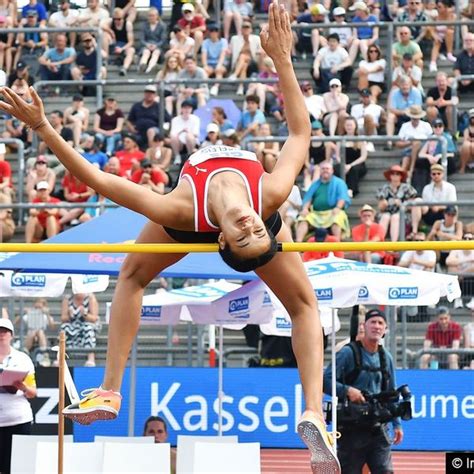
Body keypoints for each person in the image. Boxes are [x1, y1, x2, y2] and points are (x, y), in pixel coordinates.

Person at [0, 5, 340, 472]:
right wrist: (282, 58)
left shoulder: (186, 209)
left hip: (190, 215)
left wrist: (42, 127)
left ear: (224, 241)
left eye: (248, 234)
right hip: (214, 215)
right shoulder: (269, 194)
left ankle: (313, 413)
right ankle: (113, 392)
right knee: (142, 276)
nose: (251, 225)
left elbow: (100, 180)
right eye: (256, 228)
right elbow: (301, 131)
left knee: (297, 304)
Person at [323, 309, 403, 473]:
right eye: (372, 322)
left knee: (385, 470)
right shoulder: (348, 352)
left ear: (385, 329)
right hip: (352, 428)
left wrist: (397, 424)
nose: (376, 326)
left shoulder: (386, 357)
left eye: (380, 323)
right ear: (363, 326)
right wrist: (347, 390)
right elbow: (324, 381)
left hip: (378, 426)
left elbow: (391, 393)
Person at [0, 318, 37, 474]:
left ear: (12, 335)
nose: (1, 334)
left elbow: (33, 392)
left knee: (17, 467)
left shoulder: (22, 359)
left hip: (18, 420)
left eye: (5, 331)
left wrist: (22, 386)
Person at [296, 160, 351, 242]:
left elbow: (342, 197)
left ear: (332, 171)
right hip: (316, 213)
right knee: (302, 218)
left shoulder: (339, 183)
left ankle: (338, 245)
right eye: (323, 169)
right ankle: (298, 245)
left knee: (338, 218)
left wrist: (338, 207)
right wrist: (305, 209)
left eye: (327, 169)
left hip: (332, 212)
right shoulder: (315, 184)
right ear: (320, 171)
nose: (325, 170)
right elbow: (308, 198)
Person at [376, 165, 420, 242]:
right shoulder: (384, 188)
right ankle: (380, 243)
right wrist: (384, 204)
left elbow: (412, 205)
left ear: (401, 176)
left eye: (398, 174)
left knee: (395, 217)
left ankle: (394, 244)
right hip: (387, 212)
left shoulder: (407, 188)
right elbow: (380, 207)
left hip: (403, 214)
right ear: (390, 176)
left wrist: (401, 204)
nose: (395, 176)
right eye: (393, 173)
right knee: (385, 216)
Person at [60, 293, 99, 367]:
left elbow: (94, 318)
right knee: (64, 328)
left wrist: (85, 314)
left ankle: (91, 358)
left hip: (87, 323)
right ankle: (61, 357)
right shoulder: (67, 299)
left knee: (88, 328)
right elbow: (63, 318)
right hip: (72, 324)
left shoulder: (91, 298)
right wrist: (69, 314)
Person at [138, 7, 167, 74]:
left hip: (158, 46)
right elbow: (142, 39)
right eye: (150, 15)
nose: (151, 17)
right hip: (146, 45)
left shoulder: (162, 26)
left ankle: (150, 68)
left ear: (157, 16)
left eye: (153, 15)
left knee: (156, 52)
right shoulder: (144, 25)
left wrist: (156, 46)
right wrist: (147, 45)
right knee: (146, 52)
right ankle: (142, 65)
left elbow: (163, 40)